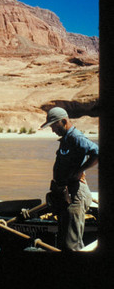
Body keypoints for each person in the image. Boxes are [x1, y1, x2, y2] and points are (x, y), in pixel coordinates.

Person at [40, 107, 98, 251]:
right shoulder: (67, 139)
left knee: (72, 245)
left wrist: (80, 170)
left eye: (54, 125)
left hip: (74, 196)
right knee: (64, 240)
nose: (53, 130)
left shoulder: (76, 138)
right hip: (65, 195)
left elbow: (97, 153)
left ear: (64, 121)